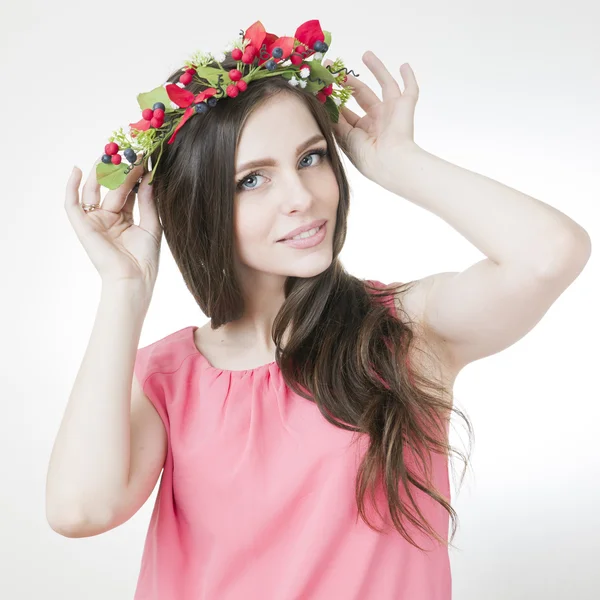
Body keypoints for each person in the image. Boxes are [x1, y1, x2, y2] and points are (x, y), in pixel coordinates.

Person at [46, 18, 591, 600]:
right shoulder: (165, 378)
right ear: (199, 206)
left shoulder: (406, 331)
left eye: (310, 159)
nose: (302, 198)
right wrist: (125, 288)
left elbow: (549, 254)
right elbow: (80, 510)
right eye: (252, 179)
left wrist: (398, 164)